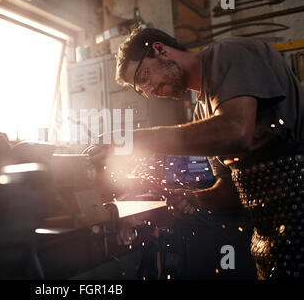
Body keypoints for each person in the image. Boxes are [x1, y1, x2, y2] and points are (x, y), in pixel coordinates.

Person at [88, 27, 304, 280]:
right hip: (272, 239)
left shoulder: (229, 53)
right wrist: (192, 199)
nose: (149, 91)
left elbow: (236, 131)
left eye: (144, 76)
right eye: (141, 89)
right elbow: (231, 189)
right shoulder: (202, 114)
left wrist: (135, 140)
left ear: (160, 49)